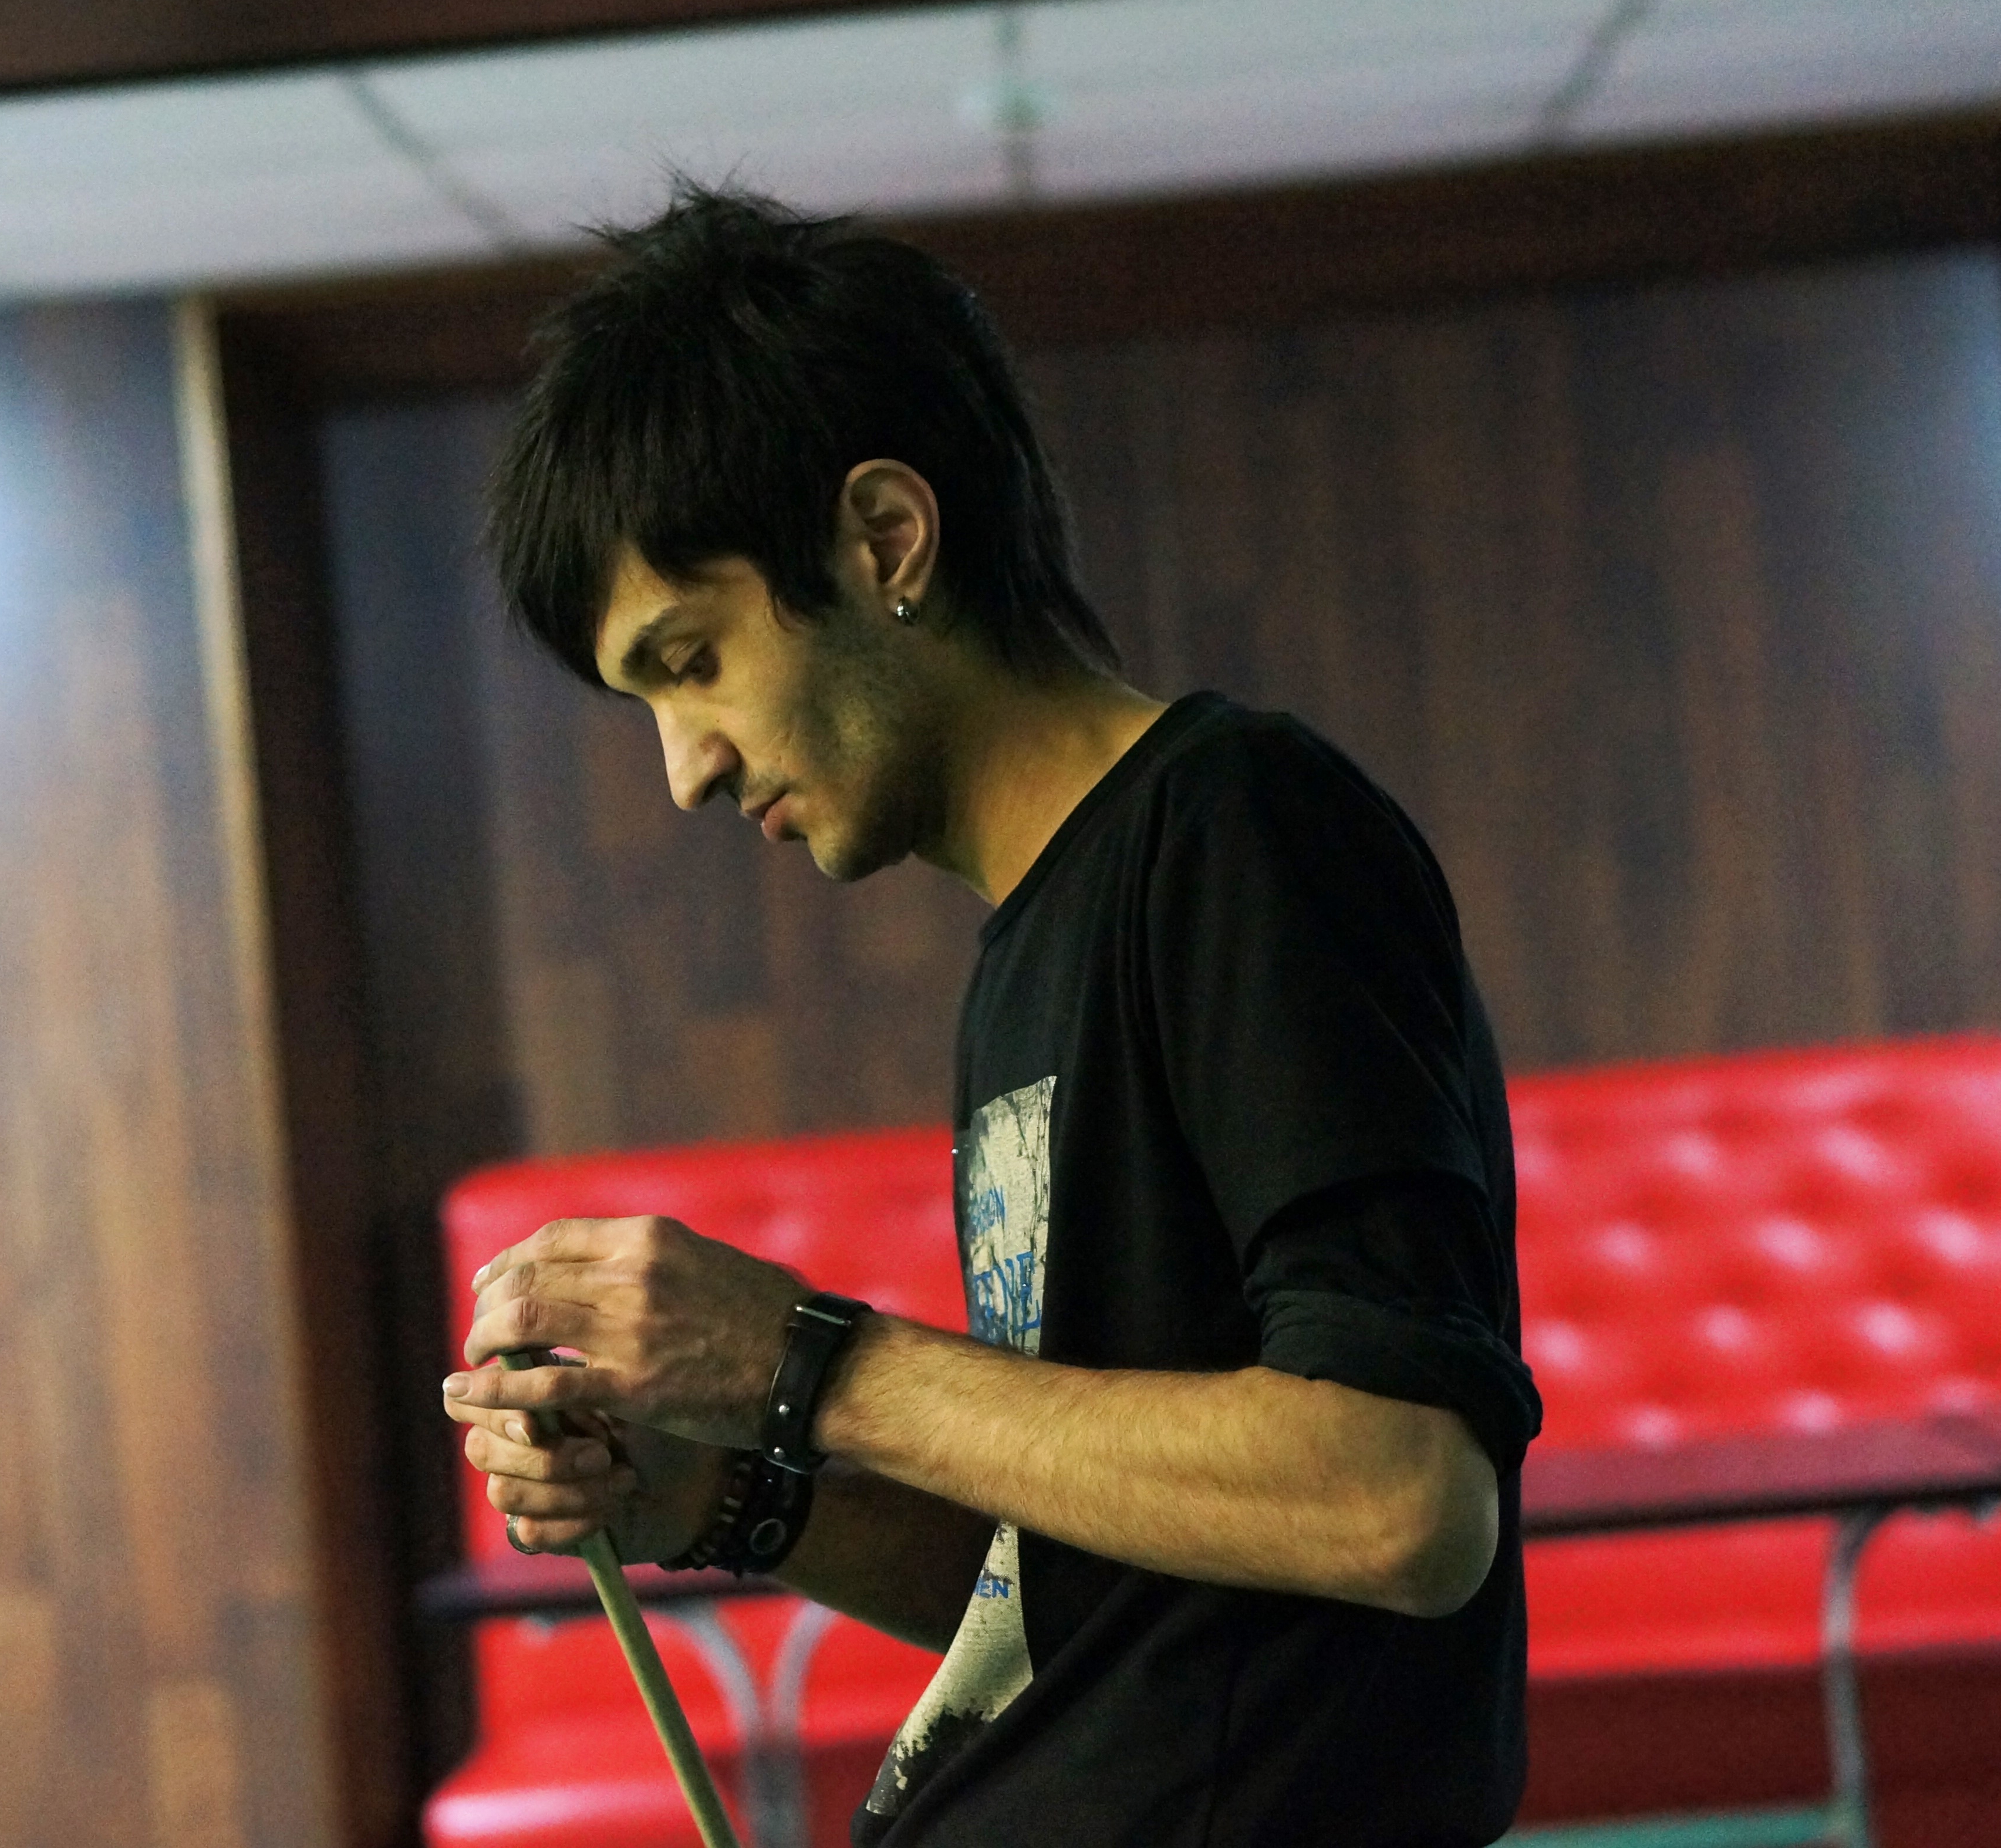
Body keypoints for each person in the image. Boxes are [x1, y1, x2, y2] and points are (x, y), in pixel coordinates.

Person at [441, 186, 1543, 1846]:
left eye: (693, 660)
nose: (686, 769)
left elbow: (1397, 1498)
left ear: (885, 539)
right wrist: (724, 1496)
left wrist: (805, 1362)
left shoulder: (1238, 830)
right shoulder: (1034, 949)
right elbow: (1097, 1596)